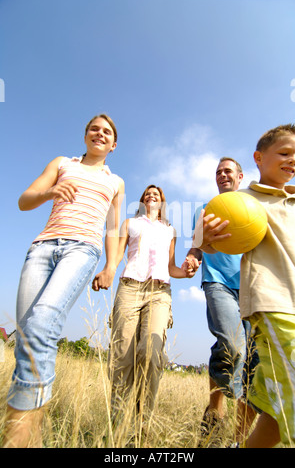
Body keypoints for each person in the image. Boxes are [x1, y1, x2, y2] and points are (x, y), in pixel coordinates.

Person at [3, 114, 125, 448]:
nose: (99, 133)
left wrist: (111, 266)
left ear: (113, 145)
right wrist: (50, 191)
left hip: (83, 250)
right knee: (28, 336)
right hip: (42, 248)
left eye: (107, 132)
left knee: (43, 323)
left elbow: (114, 228)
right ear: (85, 136)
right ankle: (36, 435)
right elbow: (24, 200)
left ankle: (17, 437)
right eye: (94, 128)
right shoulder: (62, 163)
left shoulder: (116, 182)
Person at [93, 185, 194, 440]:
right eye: (148, 194)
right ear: (142, 201)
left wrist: (186, 271)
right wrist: (108, 269)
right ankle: (118, 423)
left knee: (149, 352)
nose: (152, 196)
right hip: (130, 288)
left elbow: (171, 266)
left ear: (162, 202)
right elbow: (117, 254)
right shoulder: (130, 223)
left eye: (156, 195)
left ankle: (142, 424)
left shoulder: (170, 230)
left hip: (159, 292)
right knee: (122, 356)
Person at [182, 157, 258, 446]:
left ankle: (236, 436)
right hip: (217, 282)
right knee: (232, 344)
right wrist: (192, 256)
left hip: (252, 288)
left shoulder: (254, 206)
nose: (222, 175)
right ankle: (217, 407)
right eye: (218, 172)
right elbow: (198, 244)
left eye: (228, 171)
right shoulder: (205, 209)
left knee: (251, 359)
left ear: (240, 176)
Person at [236, 124, 295, 448]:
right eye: (285, 153)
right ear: (259, 158)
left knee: (277, 412)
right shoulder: (243, 200)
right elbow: (210, 243)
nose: (293, 161)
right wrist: (210, 236)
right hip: (275, 304)